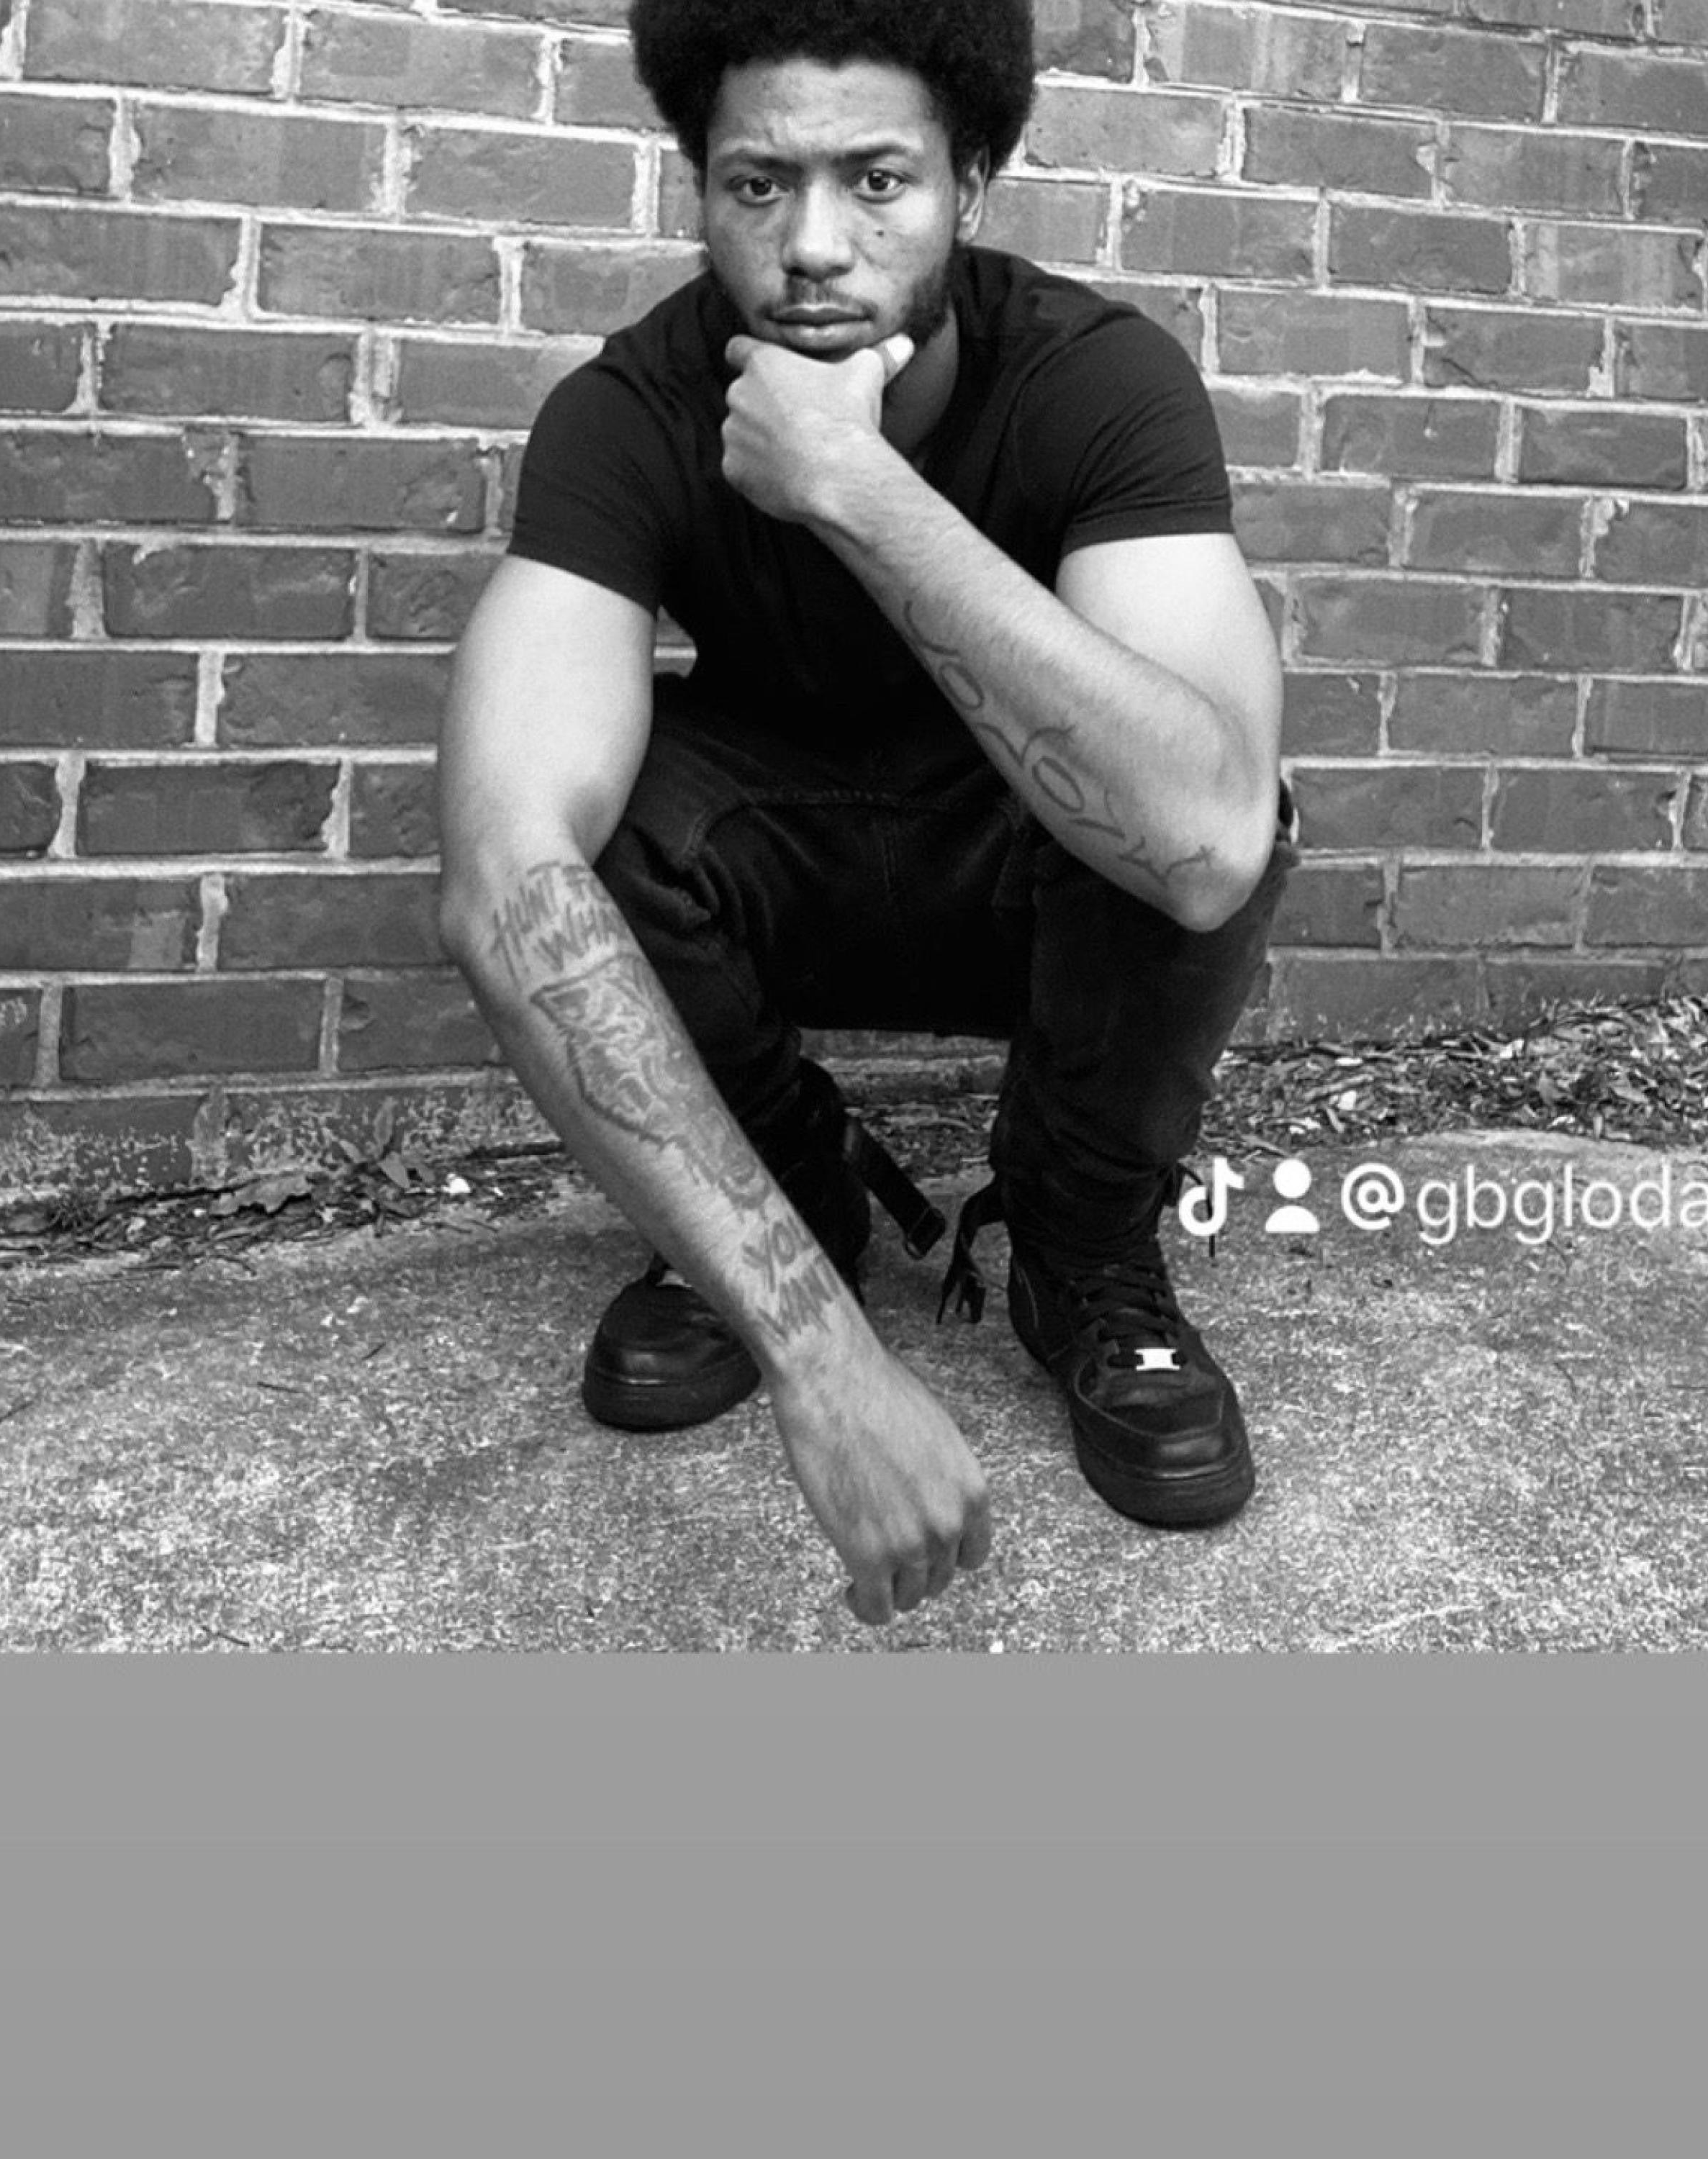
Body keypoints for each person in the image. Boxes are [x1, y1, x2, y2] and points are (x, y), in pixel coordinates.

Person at [437, 0, 1292, 1627]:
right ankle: (792, 1200)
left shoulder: (1099, 382)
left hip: (1028, 875)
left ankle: (1080, 1250)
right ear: (700, 191)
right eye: (758, 184)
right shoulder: (628, 414)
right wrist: (818, 1354)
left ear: (974, 180)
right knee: (581, 839)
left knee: (1195, 782)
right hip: (784, 862)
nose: (814, 244)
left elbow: (1206, 843)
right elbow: (502, 881)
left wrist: (854, 482)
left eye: (878, 180)